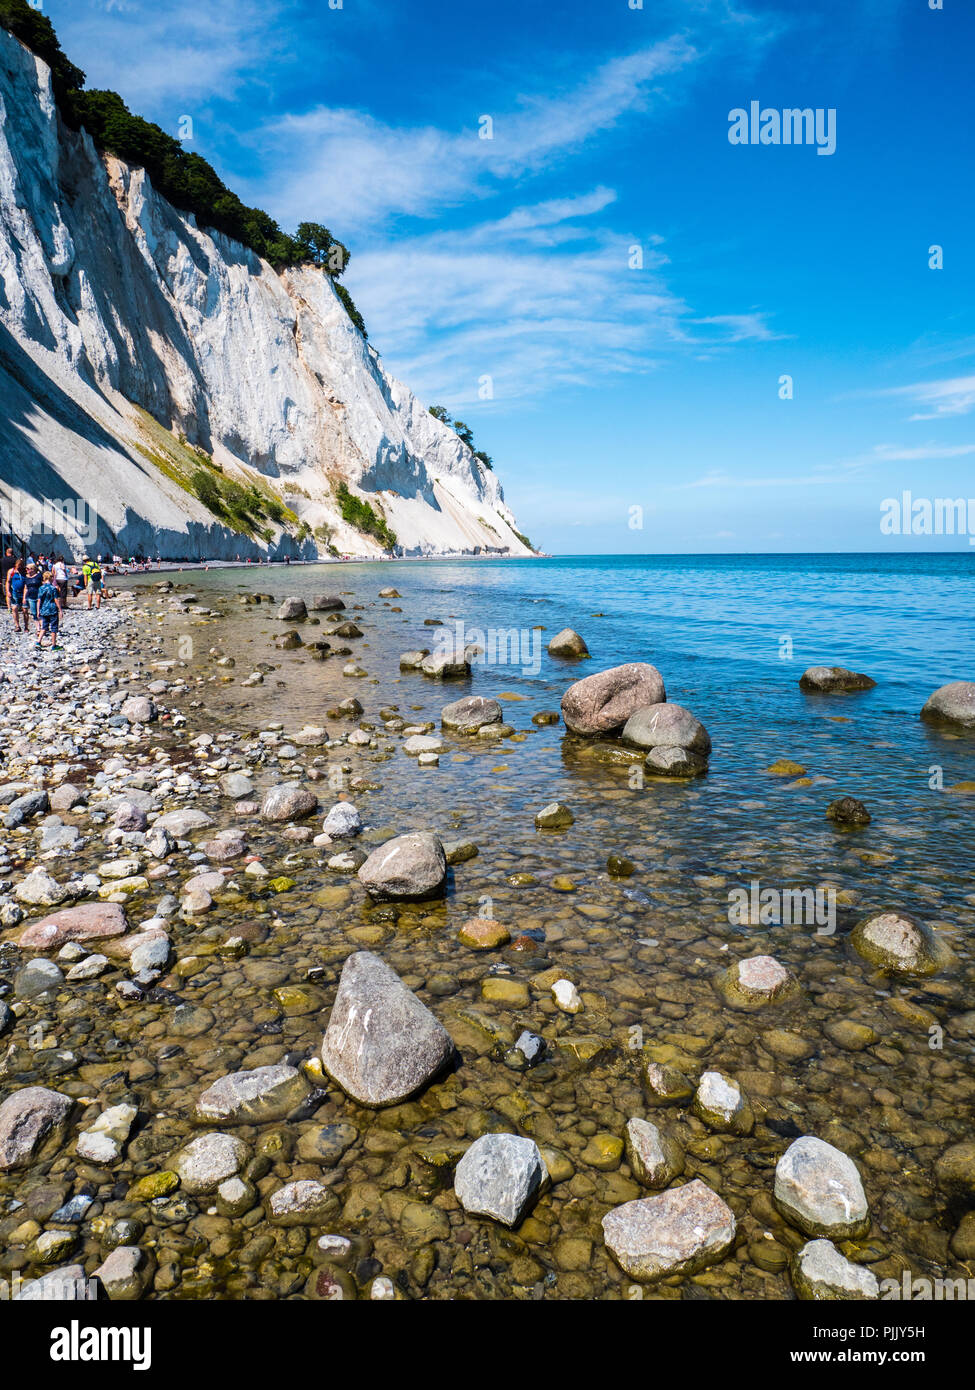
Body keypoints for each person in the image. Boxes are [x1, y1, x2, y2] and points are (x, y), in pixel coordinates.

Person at [36, 570, 62, 649]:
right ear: (51, 578)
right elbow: (56, 599)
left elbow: (39, 600)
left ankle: (38, 641)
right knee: (54, 628)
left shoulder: (41, 588)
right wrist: (60, 610)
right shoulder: (53, 588)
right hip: (52, 609)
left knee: (44, 627)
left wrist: (38, 610)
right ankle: (54, 645)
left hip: (44, 609)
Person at [23, 561, 43, 635]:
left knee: (40, 612)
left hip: (39, 596)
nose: (27, 570)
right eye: (26, 569)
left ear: (33, 569)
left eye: (28, 569)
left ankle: (42, 627)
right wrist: (24, 598)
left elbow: (43, 584)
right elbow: (26, 588)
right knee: (34, 613)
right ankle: (38, 629)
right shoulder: (26, 577)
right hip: (30, 597)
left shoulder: (39, 576)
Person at [6, 558, 26, 632]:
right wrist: (8, 591)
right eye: (18, 566)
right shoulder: (11, 571)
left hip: (24, 592)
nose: (19, 568)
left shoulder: (25, 571)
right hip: (15, 591)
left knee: (25, 610)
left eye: (20, 566)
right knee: (14, 608)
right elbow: (8, 582)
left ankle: (26, 625)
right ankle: (17, 625)